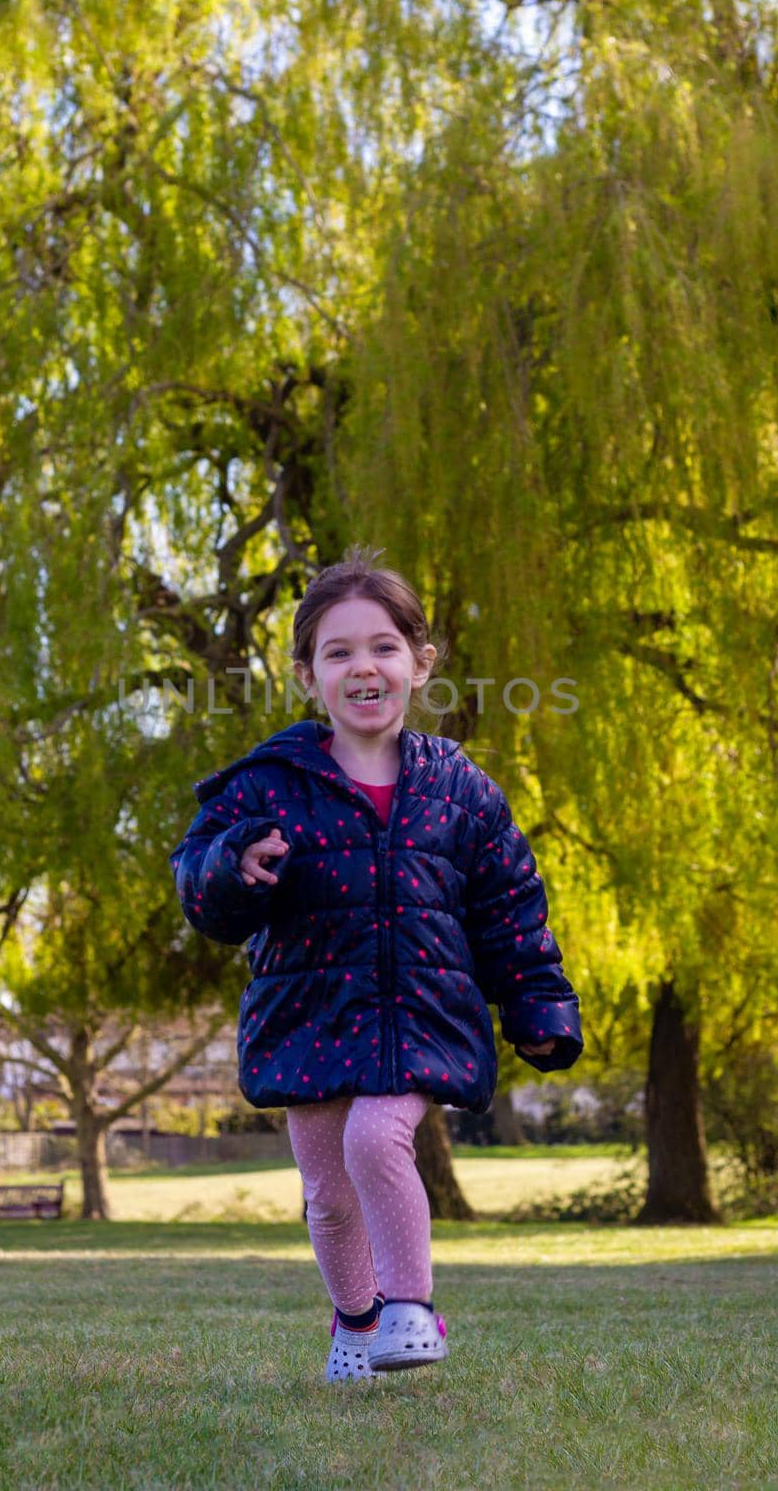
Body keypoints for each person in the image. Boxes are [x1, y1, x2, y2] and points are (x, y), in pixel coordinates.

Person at [169, 545, 583, 1383]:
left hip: (420, 1009)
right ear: (307, 676)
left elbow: (510, 906)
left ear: (419, 664)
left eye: (383, 647)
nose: (364, 666)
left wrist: (537, 1007)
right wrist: (233, 868)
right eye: (339, 651)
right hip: (309, 1010)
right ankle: (355, 1322)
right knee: (325, 1187)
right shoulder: (269, 785)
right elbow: (197, 881)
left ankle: (411, 1309)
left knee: (374, 1137)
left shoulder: (458, 788)